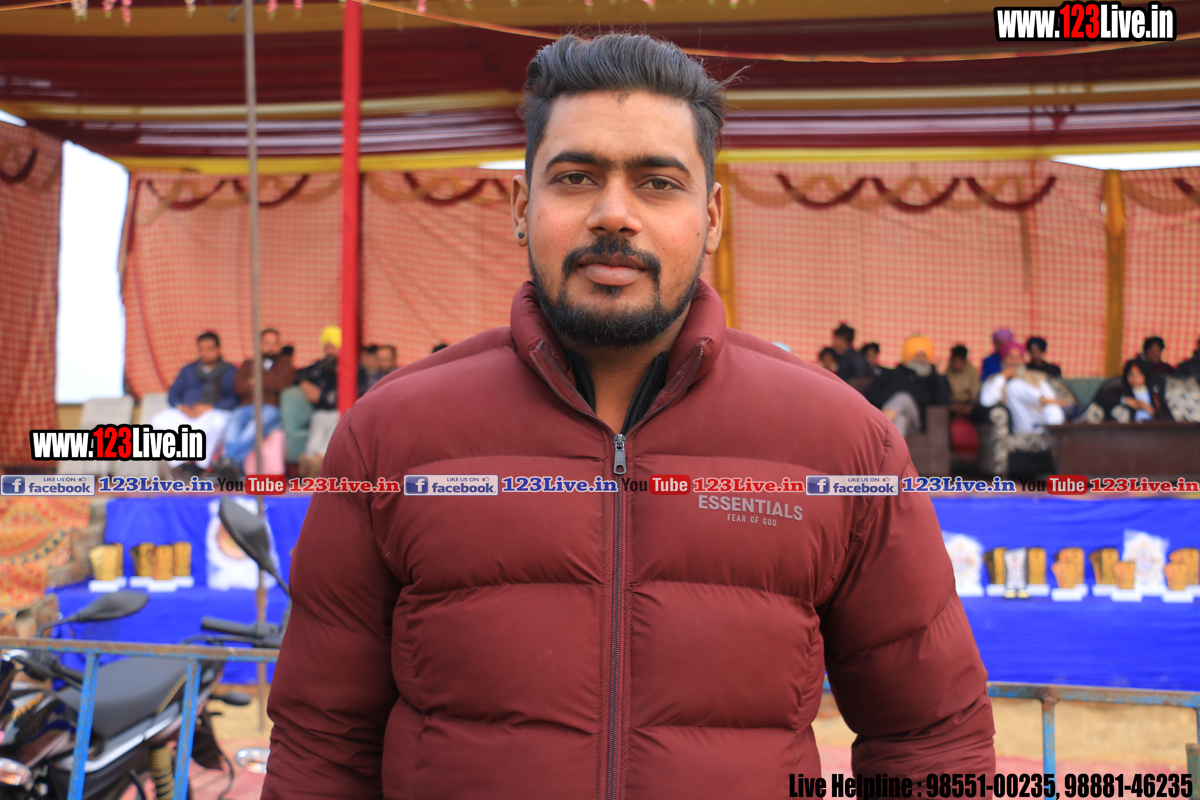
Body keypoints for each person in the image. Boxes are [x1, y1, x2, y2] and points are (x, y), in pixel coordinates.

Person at [262, 33, 994, 799]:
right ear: (522, 207)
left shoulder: (844, 444)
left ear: (712, 216)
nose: (614, 215)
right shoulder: (390, 436)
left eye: (657, 183)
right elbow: (322, 748)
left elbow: (931, 739)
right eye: (576, 177)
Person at [151, 332, 239, 478]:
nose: (204, 353)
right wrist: (182, 407)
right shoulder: (189, 370)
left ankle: (200, 465)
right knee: (156, 422)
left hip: (213, 412)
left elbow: (233, 398)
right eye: (201, 349)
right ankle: (180, 464)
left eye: (209, 349)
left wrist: (209, 408)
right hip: (187, 413)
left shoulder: (229, 370)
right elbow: (173, 395)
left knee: (219, 423)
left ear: (218, 349)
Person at [213, 328, 297, 478]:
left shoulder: (285, 364)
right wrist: (267, 382)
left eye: (274, 343)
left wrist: (255, 381)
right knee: (233, 426)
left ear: (279, 345)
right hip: (246, 407)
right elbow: (239, 387)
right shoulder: (248, 364)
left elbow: (280, 384)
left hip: (271, 408)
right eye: (267, 343)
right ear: (259, 344)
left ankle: (228, 460)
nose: (270, 347)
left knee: (253, 428)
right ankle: (231, 464)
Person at [864, 335, 951, 437]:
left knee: (904, 398)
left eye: (923, 356)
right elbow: (873, 396)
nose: (920, 359)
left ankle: (874, 430)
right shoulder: (896, 374)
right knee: (900, 419)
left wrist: (939, 376)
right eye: (917, 355)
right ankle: (892, 447)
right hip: (897, 416)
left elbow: (943, 401)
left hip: (916, 420)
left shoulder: (932, 377)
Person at [979, 341, 1067, 433]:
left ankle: (1054, 435)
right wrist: (1002, 376)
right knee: (1014, 385)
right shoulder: (995, 379)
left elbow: (1051, 399)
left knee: (1052, 407)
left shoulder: (1036, 377)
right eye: (1010, 357)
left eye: (1018, 357)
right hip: (1022, 426)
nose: (1015, 361)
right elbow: (986, 401)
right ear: (1003, 360)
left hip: (1043, 422)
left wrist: (1051, 402)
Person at [295, 325, 342, 477]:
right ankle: (311, 461)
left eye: (333, 347)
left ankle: (316, 461)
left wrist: (320, 396)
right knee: (318, 422)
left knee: (336, 425)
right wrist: (305, 385)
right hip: (322, 412)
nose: (329, 352)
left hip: (343, 413)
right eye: (326, 347)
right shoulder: (319, 367)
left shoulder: (352, 367)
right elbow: (298, 374)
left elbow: (335, 399)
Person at [946, 343, 981, 419]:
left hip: (966, 405)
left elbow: (975, 395)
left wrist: (969, 407)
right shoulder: (945, 369)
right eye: (954, 362)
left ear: (964, 361)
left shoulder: (972, 371)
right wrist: (951, 406)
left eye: (959, 362)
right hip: (948, 405)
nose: (956, 365)